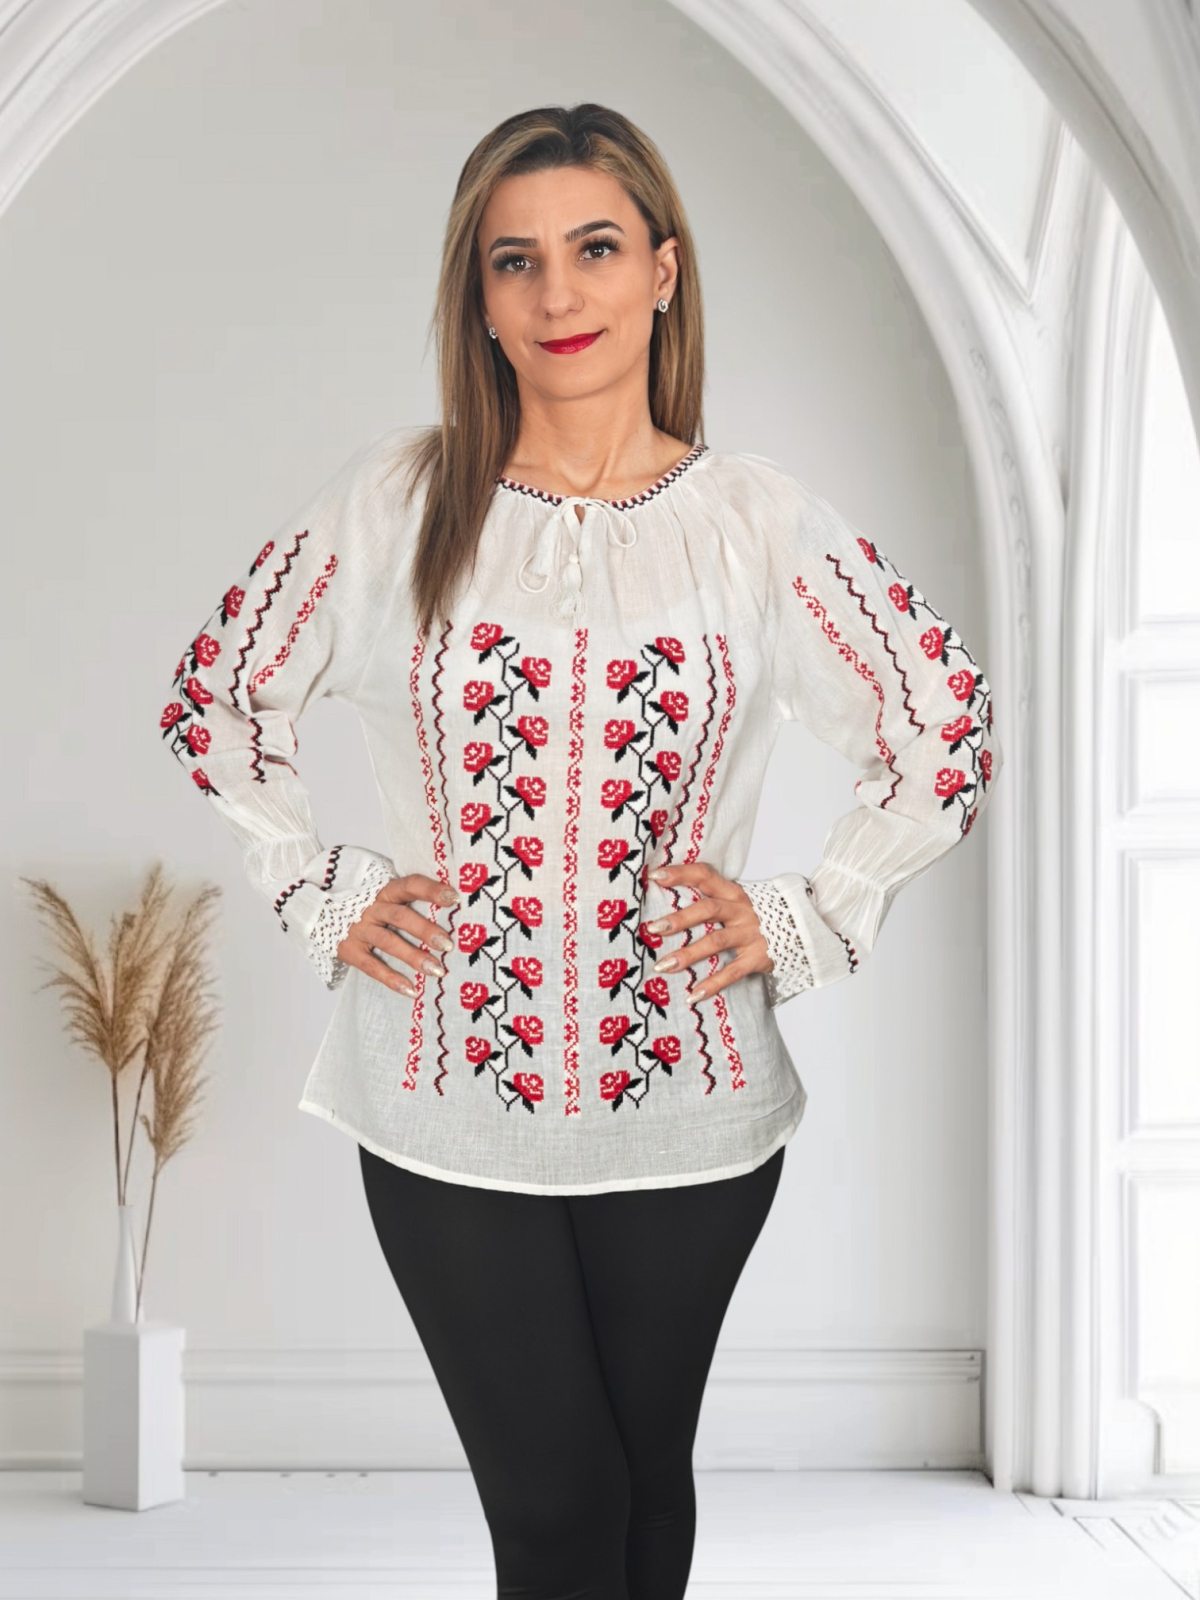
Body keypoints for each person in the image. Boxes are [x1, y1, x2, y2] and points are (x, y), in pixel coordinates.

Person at [160, 102, 1002, 1600]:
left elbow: (945, 719)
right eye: (516, 260)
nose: (558, 293)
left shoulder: (755, 524)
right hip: (441, 1104)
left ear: (663, 272)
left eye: (596, 248)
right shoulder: (399, 504)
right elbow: (216, 694)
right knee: (558, 1505)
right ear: (479, 299)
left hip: (693, 1113)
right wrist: (320, 886)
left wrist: (807, 915)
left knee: (640, 1486)